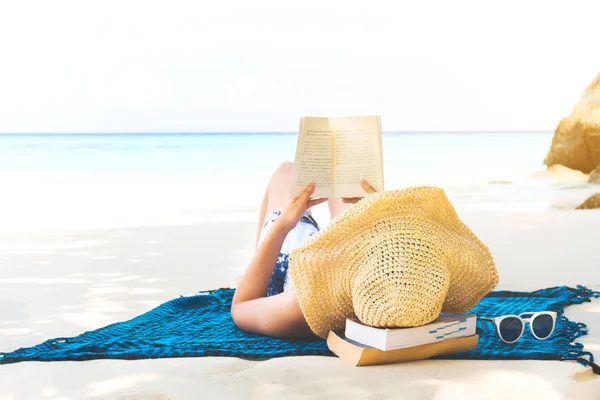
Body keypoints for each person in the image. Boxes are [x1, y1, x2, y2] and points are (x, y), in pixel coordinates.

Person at [231, 162, 376, 339]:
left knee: (286, 171)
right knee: (344, 176)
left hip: (287, 256)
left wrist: (284, 223)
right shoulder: (382, 274)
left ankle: (254, 272)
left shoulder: (300, 307)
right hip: (354, 249)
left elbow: (241, 305)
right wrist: (375, 211)